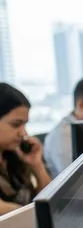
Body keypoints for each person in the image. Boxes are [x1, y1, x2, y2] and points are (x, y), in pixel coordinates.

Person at [0, 83, 51, 216]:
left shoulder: (14, 155)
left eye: (25, 124)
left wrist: (37, 166)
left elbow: (50, 201)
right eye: (16, 125)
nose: (23, 133)